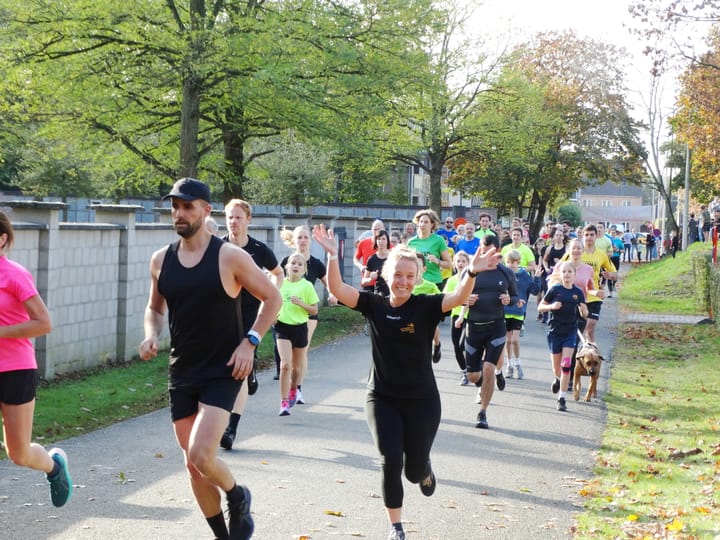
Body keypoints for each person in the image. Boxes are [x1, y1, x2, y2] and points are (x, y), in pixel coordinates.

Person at [311, 223, 499, 540]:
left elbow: (458, 297)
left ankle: (424, 470)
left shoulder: (425, 307)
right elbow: (339, 289)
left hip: (423, 401)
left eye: (410, 276)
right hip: (381, 398)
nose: (403, 281)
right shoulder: (374, 304)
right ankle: (396, 527)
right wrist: (332, 256)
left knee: (412, 470)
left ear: (418, 279)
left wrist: (472, 273)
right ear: (386, 275)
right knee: (390, 459)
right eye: (398, 275)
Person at [139, 178, 282, 540]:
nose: (179, 213)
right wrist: (151, 334)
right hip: (182, 370)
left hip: (223, 369)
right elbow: (154, 309)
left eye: (187, 206)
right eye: (175, 206)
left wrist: (250, 342)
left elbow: (272, 298)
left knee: (202, 454)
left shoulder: (229, 256)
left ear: (205, 210)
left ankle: (237, 494)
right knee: (192, 465)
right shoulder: (161, 260)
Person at [0, 210, 73, 509]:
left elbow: (43, 323)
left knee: (18, 454)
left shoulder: (15, 275)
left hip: (15, 370)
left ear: (2, 239)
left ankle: (54, 467)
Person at [220, 199, 284, 450]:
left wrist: (271, 299)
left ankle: (231, 429)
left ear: (248, 220)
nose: (233, 222)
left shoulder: (259, 249)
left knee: (240, 372)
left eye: (238, 217)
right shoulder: (218, 247)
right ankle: (250, 372)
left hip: (250, 315)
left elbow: (278, 273)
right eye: (229, 218)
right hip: (222, 315)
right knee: (224, 367)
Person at [465, 234, 519, 430]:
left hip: (496, 326)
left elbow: (515, 297)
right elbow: (458, 295)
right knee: (473, 376)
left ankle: (483, 413)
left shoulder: (506, 273)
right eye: (481, 247)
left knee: (488, 368)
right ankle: (484, 384)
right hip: (474, 328)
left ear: (495, 250)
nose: (482, 251)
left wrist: (508, 300)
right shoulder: (471, 271)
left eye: (486, 248)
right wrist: (466, 300)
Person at [279, 225, 335, 405]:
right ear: (294, 241)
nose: (302, 240)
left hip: (308, 313)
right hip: (287, 315)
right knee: (286, 359)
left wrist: (333, 294)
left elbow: (328, 284)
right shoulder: (287, 261)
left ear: (310, 241)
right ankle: (288, 385)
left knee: (302, 353)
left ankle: (298, 389)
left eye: (305, 237)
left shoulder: (316, 264)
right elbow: (276, 279)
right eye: (299, 237)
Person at [538, 261, 588, 412]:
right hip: (554, 331)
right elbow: (541, 306)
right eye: (564, 272)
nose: (566, 274)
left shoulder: (578, 292)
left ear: (574, 274)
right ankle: (558, 379)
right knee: (557, 368)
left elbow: (585, 313)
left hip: (570, 331)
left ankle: (562, 397)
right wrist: (551, 307)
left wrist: (583, 311)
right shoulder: (555, 290)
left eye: (569, 272)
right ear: (560, 274)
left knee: (566, 364)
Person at [275, 252, 319, 416]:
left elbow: (314, 309)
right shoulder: (280, 284)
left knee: (296, 368)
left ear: (304, 270)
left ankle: (294, 389)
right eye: (293, 263)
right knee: (285, 365)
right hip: (282, 327)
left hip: (300, 328)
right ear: (286, 266)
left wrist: (301, 303)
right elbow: (271, 301)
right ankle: (284, 402)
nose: (296, 266)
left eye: (300, 264)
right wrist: (272, 316)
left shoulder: (306, 286)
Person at [559, 225, 617, 343]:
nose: (589, 237)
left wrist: (609, 275)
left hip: (593, 294)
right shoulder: (574, 251)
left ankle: (590, 354)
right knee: (577, 329)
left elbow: (615, 274)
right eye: (586, 235)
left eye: (592, 235)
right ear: (582, 236)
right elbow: (558, 269)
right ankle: (580, 352)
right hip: (576, 295)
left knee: (590, 327)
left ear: (596, 236)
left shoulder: (601, 254)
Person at [503, 250, 540, 380]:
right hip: (505, 311)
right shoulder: (504, 274)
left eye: (513, 262)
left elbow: (535, 291)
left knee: (514, 340)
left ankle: (518, 363)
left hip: (519, 311)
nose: (511, 265)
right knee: (507, 340)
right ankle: (509, 364)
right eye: (508, 262)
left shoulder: (524, 275)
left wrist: (537, 277)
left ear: (518, 262)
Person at [442, 251, 474, 385]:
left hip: (470, 316)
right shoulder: (451, 280)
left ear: (468, 264)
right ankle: (464, 371)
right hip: (455, 315)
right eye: (458, 261)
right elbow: (444, 297)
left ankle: (473, 366)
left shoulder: (472, 279)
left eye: (463, 261)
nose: (460, 264)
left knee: (463, 345)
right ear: (454, 264)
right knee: (456, 346)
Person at [407, 209, 452, 289]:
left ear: (432, 225)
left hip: (434, 282)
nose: (422, 224)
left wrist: (437, 261)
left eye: (426, 222)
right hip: (416, 283)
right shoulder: (411, 242)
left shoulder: (438, 240)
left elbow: (449, 264)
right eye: (420, 221)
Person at [362, 229, 391, 296]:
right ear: (376, 241)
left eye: (383, 239)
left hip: (392, 292)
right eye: (378, 239)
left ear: (387, 241)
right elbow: (363, 282)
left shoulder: (393, 257)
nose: (381, 241)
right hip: (379, 293)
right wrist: (370, 279)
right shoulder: (372, 259)